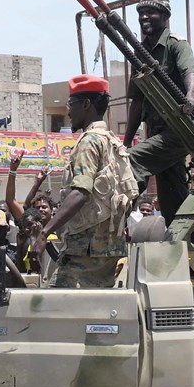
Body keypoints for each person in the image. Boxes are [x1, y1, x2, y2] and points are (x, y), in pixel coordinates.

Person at [39, 75, 137, 288]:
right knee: (96, 308)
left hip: (85, 250)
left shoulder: (89, 142)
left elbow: (81, 192)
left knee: (57, 307)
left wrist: (45, 231)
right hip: (108, 247)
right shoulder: (110, 140)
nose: (68, 112)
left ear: (85, 104)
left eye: (70, 105)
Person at [123, 0, 194, 225]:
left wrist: (191, 96)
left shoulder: (176, 45)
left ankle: (119, 214)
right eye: (141, 13)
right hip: (159, 133)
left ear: (165, 15)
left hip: (180, 130)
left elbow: (190, 72)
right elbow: (137, 101)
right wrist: (126, 141)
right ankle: (180, 242)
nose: (144, 17)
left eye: (151, 12)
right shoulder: (140, 52)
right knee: (172, 201)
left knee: (130, 161)